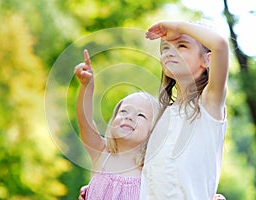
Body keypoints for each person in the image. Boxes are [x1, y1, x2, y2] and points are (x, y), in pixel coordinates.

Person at [140, 20, 229, 199]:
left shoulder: (209, 103)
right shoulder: (161, 114)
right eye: (165, 48)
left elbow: (220, 45)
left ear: (207, 59)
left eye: (182, 45)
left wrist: (178, 27)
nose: (170, 52)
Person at [74, 49, 160, 200]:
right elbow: (85, 121)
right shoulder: (101, 153)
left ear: (153, 132)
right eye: (123, 112)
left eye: (140, 115)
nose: (129, 117)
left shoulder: (153, 171)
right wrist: (87, 85)